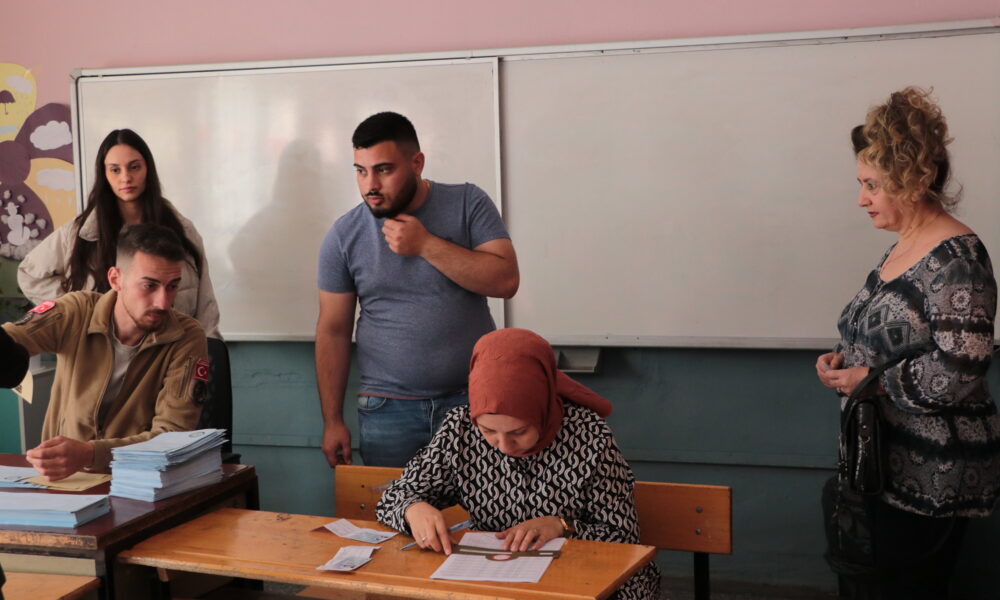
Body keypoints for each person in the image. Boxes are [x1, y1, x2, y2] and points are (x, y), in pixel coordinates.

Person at [816, 87, 1000, 599]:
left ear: (913, 181)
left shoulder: (958, 259)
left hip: (930, 474)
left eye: (872, 185)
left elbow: (960, 370)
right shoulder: (902, 248)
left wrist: (870, 381)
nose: (862, 199)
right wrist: (843, 360)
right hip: (882, 467)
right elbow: (886, 335)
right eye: (862, 184)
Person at [375, 328, 659, 599]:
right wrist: (413, 509)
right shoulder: (460, 429)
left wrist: (562, 525)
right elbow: (394, 497)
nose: (504, 445)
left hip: (584, 579)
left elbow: (623, 537)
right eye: (488, 431)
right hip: (494, 579)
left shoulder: (588, 435)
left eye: (519, 431)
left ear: (542, 407)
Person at [316, 111, 519, 467]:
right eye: (361, 171)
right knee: (393, 504)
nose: (370, 185)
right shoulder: (344, 234)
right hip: (386, 409)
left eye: (383, 170)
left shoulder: (468, 202)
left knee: (482, 503)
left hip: (472, 401)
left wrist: (426, 245)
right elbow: (333, 330)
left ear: (417, 163)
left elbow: (505, 280)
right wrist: (332, 420)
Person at [3, 224, 210, 480]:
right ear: (115, 279)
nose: (163, 302)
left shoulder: (187, 337)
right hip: (62, 482)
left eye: (173, 286)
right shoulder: (76, 311)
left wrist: (90, 454)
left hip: (139, 482)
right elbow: (12, 338)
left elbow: (173, 437)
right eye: (150, 286)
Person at [17, 128, 221, 339]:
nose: (126, 177)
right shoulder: (80, 232)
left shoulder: (182, 229)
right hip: (102, 351)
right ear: (104, 175)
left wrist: (209, 350)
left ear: (148, 169)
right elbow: (29, 274)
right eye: (115, 170)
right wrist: (77, 310)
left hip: (171, 349)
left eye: (134, 167)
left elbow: (206, 304)